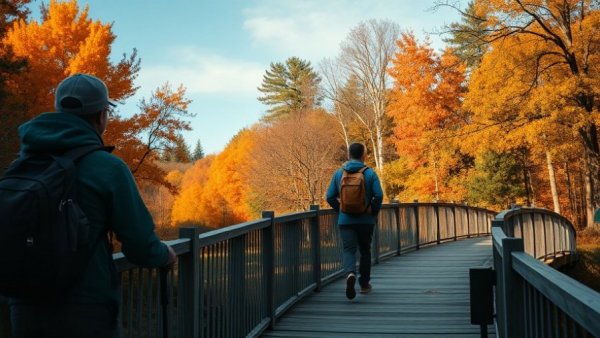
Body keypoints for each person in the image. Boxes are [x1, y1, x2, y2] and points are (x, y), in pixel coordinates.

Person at [8, 73, 177, 337]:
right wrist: (164, 255)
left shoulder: (21, 164)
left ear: (58, 110)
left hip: (24, 306)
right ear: (101, 116)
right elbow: (140, 245)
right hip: (86, 309)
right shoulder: (108, 167)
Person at [326, 143, 383, 300]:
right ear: (363, 155)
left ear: (349, 155)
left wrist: (341, 209)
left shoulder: (339, 174)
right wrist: (373, 211)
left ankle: (350, 273)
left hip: (346, 220)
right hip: (366, 220)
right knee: (365, 251)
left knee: (349, 250)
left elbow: (329, 196)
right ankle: (364, 285)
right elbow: (378, 195)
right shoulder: (370, 173)